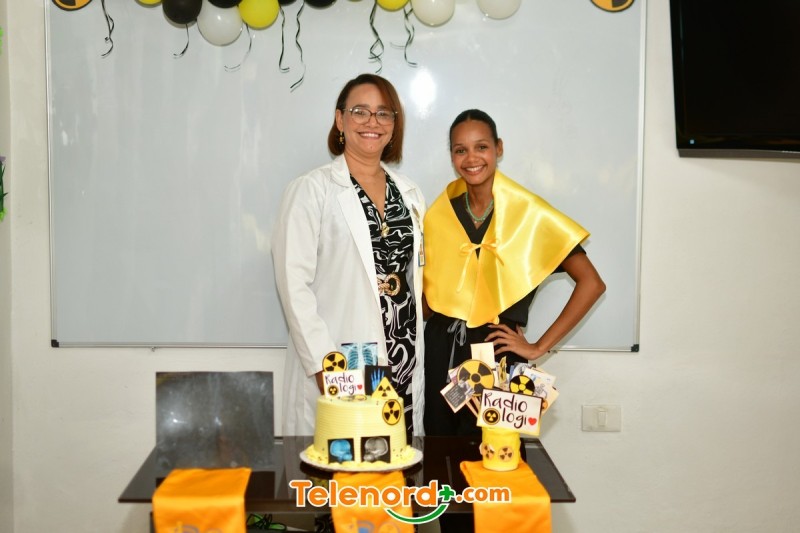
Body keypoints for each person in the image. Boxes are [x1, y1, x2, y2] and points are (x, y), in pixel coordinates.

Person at [423, 109, 606, 436]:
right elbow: (430, 290)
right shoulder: (440, 211)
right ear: (452, 156)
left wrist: (537, 347)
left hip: (497, 353)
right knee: (440, 450)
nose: (471, 158)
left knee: (500, 453)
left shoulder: (528, 214)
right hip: (440, 349)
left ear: (499, 148)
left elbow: (592, 283)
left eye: (481, 147)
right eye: (461, 150)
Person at [272, 74, 426, 439]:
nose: (372, 122)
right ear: (340, 120)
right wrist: (324, 367)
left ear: (394, 125)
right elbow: (293, 287)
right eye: (360, 111)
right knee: (342, 459)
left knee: (395, 460)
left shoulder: (410, 193)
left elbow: (414, 277)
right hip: (341, 360)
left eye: (384, 113)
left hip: (402, 357)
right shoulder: (312, 190)